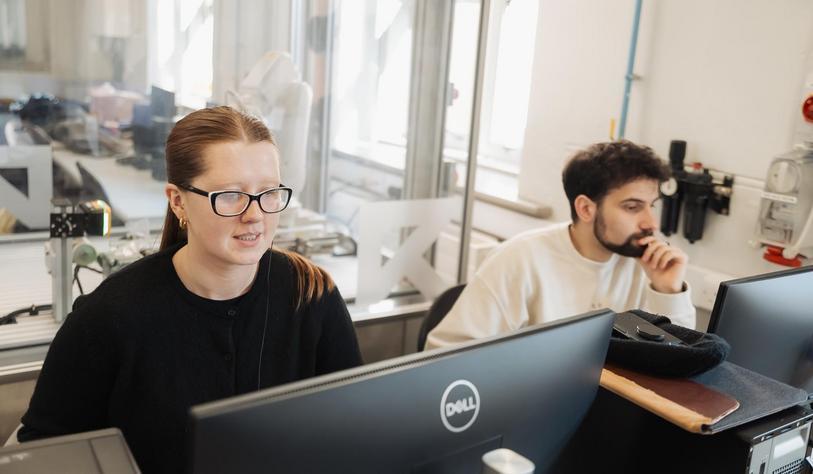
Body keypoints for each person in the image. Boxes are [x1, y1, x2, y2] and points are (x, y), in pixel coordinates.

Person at [18, 106, 363, 473]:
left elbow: (354, 430)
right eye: (230, 194)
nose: (255, 215)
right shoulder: (108, 318)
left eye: (269, 192)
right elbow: (43, 453)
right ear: (178, 201)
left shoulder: (312, 295)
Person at [426, 140, 696, 350]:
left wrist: (668, 291)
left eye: (652, 206)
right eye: (632, 207)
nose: (651, 223)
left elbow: (680, 362)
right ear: (586, 209)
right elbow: (443, 354)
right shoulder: (519, 259)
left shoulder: (646, 266)